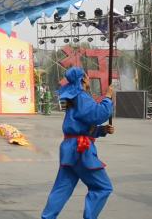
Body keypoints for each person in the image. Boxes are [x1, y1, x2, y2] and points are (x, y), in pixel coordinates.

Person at [41, 67, 114, 219]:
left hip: (70, 148)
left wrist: (101, 131)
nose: (89, 80)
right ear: (83, 79)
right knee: (102, 187)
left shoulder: (74, 98)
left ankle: (47, 217)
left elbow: (80, 126)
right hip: (81, 149)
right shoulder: (81, 96)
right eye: (87, 77)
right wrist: (107, 98)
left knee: (62, 188)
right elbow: (98, 114)